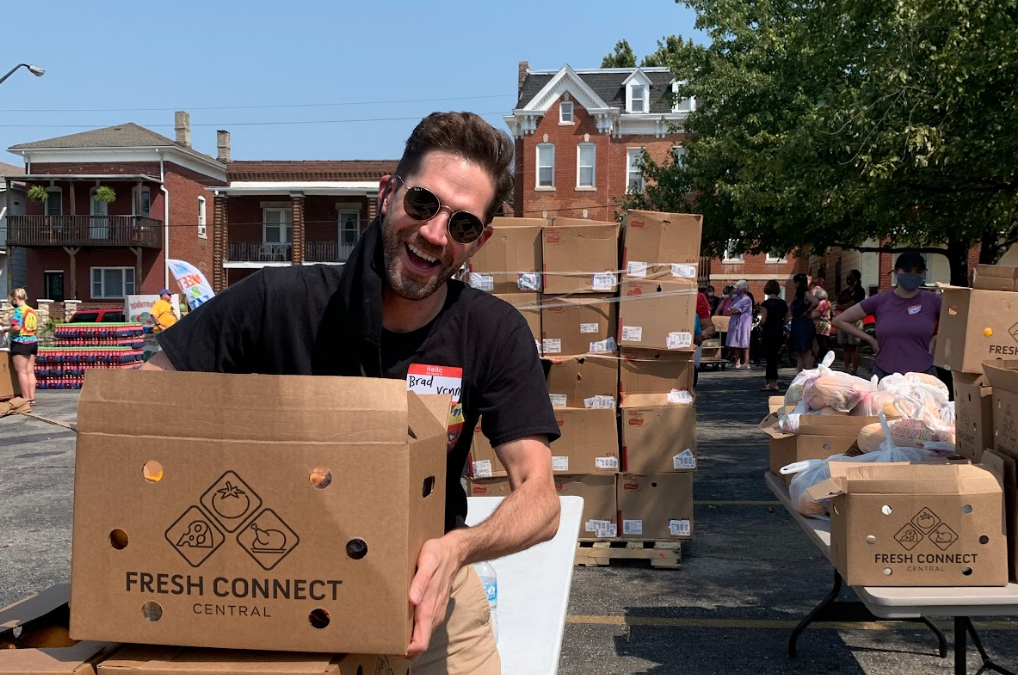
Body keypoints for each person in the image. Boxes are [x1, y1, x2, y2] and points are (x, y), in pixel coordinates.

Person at [141, 112, 560, 674]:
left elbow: (541, 498)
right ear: (388, 193)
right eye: (423, 204)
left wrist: (459, 548)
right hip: (279, 593)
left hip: (432, 609)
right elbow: (138, 406)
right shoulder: (275, 303)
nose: (435, 234)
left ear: (478, 242)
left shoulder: (492, 331)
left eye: (461, 226)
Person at [834, 251, 941, 379]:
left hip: (924, 374)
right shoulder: (879, 301)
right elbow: (840, 320)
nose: (913, 275)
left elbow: (959, 317)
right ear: (896, 272)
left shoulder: (934, 300)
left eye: (918, 271)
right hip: (885, 373)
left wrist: (939, 336)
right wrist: (869, 339)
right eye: (907, 270)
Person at [3, 289, 39, 405]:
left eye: (11, 300)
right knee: (30, 371)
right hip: (33, 342)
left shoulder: (19, 310)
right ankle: (32, 397)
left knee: (22, 372)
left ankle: (26, 398)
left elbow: (17, 327)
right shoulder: (31, 310)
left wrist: (5, 329)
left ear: (15, 299)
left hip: (20, 343)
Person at [758, 280, 789, 391]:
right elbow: (786, 320)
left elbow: (764, 319)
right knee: (774, 357)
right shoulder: (783, 303)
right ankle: (769, 381)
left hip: (768, 331)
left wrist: (759, 325)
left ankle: (772, 382)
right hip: (779, 331)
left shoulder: (766, 304)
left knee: (769, 358)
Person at [834, 269, 866, 375]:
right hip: (844, 320)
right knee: (845, 346)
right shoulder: (845, 291)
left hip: (854, 321)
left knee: (854, 346)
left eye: (850, 276)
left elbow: (853, 304)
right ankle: (846, 367)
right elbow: (838, 301)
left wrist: (841, 307)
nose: (848, 278)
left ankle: (854, 369)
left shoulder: (859, 291)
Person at [788, 273, 819, 372]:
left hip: (804, 323)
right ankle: (800, 373)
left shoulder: (806, 294)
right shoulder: (797, 296)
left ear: (799, 283)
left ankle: (808, 372)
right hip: (796, 322)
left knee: (806, 350)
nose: (794, 285)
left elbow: (815, 302)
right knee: (799, 351)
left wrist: (808, 310)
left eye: (795, 282)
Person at [725, 279, 752, 368]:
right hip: (735, 322)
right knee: (736, 341)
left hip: (744, 323)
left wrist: (733, 310)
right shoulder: (736, 299)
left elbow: (736, 310)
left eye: (737, 288)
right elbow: (729, 310)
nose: (736, 290)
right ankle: (737, 362)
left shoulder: (747, 299)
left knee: (744, 341)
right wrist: (733, 310)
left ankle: (746, 362)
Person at [812, 288, 832, 364]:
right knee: (824, 342)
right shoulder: (828, 302)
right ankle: (823, 358)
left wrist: (810, 315)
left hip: (821, 325)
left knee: (820, 342)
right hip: (827, 324)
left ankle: (821, 358)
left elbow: (816, 314)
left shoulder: (821, 303)